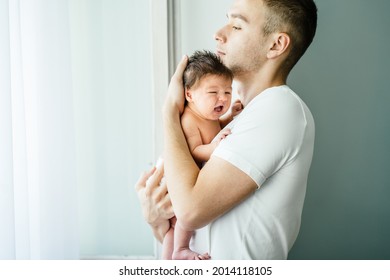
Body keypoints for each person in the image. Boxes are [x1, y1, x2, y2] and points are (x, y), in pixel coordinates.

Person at [135, 0, 317, 259]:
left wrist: (170, 112)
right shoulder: (232, 116)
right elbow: (189, 227)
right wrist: (156, 218)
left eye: (237, 25)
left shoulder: (279, 108)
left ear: (276, 45)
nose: (218, 34)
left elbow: (191, 211)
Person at [162, 50, 243, 260]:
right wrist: (215, 146)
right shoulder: (189, 120)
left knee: (172, 228)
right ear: (189, 94)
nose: (222, 98)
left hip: (194, 182)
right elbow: (195, 150)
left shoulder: (208, 114)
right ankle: (180, 249)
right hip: (179, 184)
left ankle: (169, 256)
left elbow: (216, 128)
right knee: (179, 222)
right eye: (213, 92)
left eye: (227, 91)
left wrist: (229, 118)